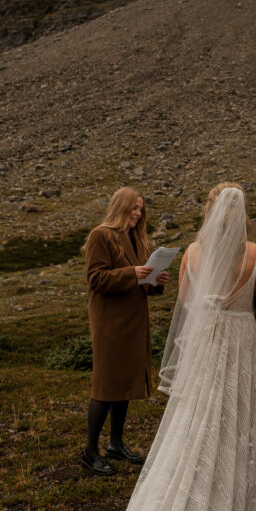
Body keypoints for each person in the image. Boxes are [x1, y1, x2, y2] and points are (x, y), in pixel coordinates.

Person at [19, 183, 256, 511]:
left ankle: (138, 454)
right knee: (232, 414)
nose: (140, 212)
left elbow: (185, 302)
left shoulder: (196, 253)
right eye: (135, 207)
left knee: (195, 417)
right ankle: (130, 455)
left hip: (207, 347)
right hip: (239, 344)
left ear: (208, 212)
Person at [81, 186, 168, 477]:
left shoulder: (138, 239)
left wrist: (156, 280)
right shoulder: (100, 235)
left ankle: (116, 444)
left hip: (134, 321)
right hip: (110, 323)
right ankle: (90, 451)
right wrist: (133, 273)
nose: (138, 213)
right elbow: (96, 279)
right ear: (121, 207)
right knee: (106, 384)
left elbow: (144, 285)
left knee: (124, 383)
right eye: (134, 207)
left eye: (141, 208)